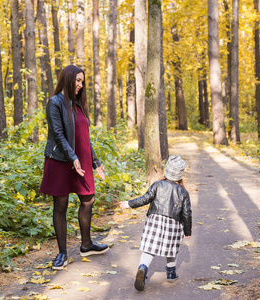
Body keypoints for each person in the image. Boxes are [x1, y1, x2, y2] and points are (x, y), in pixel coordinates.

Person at [39, 65, 109, 270]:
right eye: (77, 80)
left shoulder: (77, 104)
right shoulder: (55, 102)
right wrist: (73, 158)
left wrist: (95, 162)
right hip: (62, 160)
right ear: (68, 79)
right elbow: (58, 134)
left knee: (88, 200)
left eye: (82, 81)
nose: (80, 85)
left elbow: (84, 137)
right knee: (60, 206)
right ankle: (62, 254)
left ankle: (86, 245)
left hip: (82, 161)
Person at [119, 155, 192, 291]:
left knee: (149, 249)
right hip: (173, 224)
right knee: (171, 249)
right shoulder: (183, 192)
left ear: (167, 171)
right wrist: (187, 231)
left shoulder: (157, 185)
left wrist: (129, 204)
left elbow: (144, 199)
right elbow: (187, 213)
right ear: (180, 174)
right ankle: (171, 274)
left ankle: (143, 267)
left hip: (155, 221)